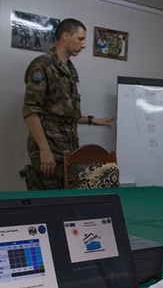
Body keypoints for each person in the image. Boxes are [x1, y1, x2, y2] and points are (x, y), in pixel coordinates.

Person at [22, 18, 114, 190]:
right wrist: (44, 150)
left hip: (69, 149)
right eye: (80, 39)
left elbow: (64, 113)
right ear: (65, 36)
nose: (83, 45)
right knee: (47, 204)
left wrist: (94, 121)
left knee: (68, 202)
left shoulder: (69, 69)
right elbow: (31, 111)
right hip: (50, 150)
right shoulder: (42, 66)